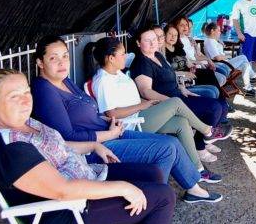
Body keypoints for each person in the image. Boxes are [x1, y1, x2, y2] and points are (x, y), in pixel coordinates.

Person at [0, 69, 176, 224]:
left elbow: (57, 146)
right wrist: (124, 188)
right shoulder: (8, 148)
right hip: (65, 212)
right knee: (163, 196)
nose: (26, 101)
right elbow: (62, 190)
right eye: (14, 96)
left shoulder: (20, 123)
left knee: (153, 173)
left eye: (26, 92)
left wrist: (93, 145)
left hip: (82, 178)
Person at [31, 36, 222, 203]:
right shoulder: (44, 90)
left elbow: (87, 113)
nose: (62, 62)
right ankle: (153, 200)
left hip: (110, 131)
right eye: (53, 58)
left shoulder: (64, 81)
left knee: (171, 141)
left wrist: (107, 123)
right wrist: (108, 133)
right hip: (93, 148)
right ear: (40, 62)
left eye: (65, 55)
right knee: (165, 149)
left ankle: (190, 189)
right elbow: (66, 136)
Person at [91, 36, 225, 183]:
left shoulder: (118, 74)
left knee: (181, 122)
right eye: (122, 54)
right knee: (175, 102)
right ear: (111, 58)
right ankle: (207, 131)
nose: (125, 57)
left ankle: (198, 170)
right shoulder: (103, 81)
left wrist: (149, 103)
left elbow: (131, 99)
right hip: (131, 125)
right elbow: (112, 113)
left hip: (142, 114)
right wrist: (143, 105)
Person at [130, 27, 232, 163]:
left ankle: (203, 140)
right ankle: (200, 146)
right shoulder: (142, 62)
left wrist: (183, 89)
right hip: (167, 103)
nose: (153, 42)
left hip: (179, 95)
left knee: (222, 105)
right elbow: (145, 91)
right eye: (147, 40)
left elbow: (172, 77)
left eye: (154, 39)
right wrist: (169, 101)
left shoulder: (157, 55)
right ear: (138, 43)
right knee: (214, 108)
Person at [161, 24, 221, 99]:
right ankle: (213, 101)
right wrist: (184, 73)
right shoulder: (162, 51)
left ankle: (221, 100)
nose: (173, 37)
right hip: (180, 78)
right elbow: (167, 72)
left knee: (209, 73)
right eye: (170, 34)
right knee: (212, 91)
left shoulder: (178, 48)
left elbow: (187, 62)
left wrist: (193, 66)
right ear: (165, 34)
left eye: (175, 35)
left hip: (189, 73)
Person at [203, 22, 256, 96]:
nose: (220, 32)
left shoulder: (212, 40)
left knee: (245, 65)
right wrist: (228, 57)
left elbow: (218, 52)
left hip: (224, 63)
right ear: (212, 31)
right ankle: (253, 76)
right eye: (218, 30)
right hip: (221, 66)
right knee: (243, 57)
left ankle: (248, 88)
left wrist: (219, 41)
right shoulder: (210, 42)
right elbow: (217, 57)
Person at [174, 17, 227, 87]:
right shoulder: (177, 42)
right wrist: (202, 63)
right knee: (220, 79)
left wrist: (207, 60)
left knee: (222, 76)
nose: (188, 29)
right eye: (182, 25)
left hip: (200, 65)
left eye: (188, 26)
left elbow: (196, 55)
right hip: (194, 68)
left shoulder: (188, 39)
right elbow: (186, 60)